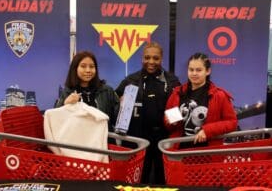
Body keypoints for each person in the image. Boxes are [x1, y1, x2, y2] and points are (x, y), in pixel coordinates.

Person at [115, 41, 180, 184]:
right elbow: (115, 100)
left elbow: (178, 107)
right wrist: (120, 101)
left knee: (163, 178)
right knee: (138, 178)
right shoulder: (131, 79)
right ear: (142, 58)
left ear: (161, 59)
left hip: (163, 138)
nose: (151, 62)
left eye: (155, 58)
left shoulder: (172, 80)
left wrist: (175, 127)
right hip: (138, 138)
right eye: (147, 57)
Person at [164, 52, 238, 149]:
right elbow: (168, 125)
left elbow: (232, 122)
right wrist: (171, 122)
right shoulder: (177, 93)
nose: (194, 73)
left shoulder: (219, 95)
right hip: (179, 151)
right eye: (191, 70)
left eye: (199, 70)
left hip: (207, 153)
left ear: (208, 71)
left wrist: (207, 130)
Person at [55, 51, 120, 132]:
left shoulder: (107, 91)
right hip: (78, 141)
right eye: (83, 66)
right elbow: (56, 122)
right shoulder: (67, 92)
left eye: (92, 66)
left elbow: (118, 121)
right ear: (75, 68)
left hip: (104, 140)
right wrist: (66, 105)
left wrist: (123, 108)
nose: (88, 70)